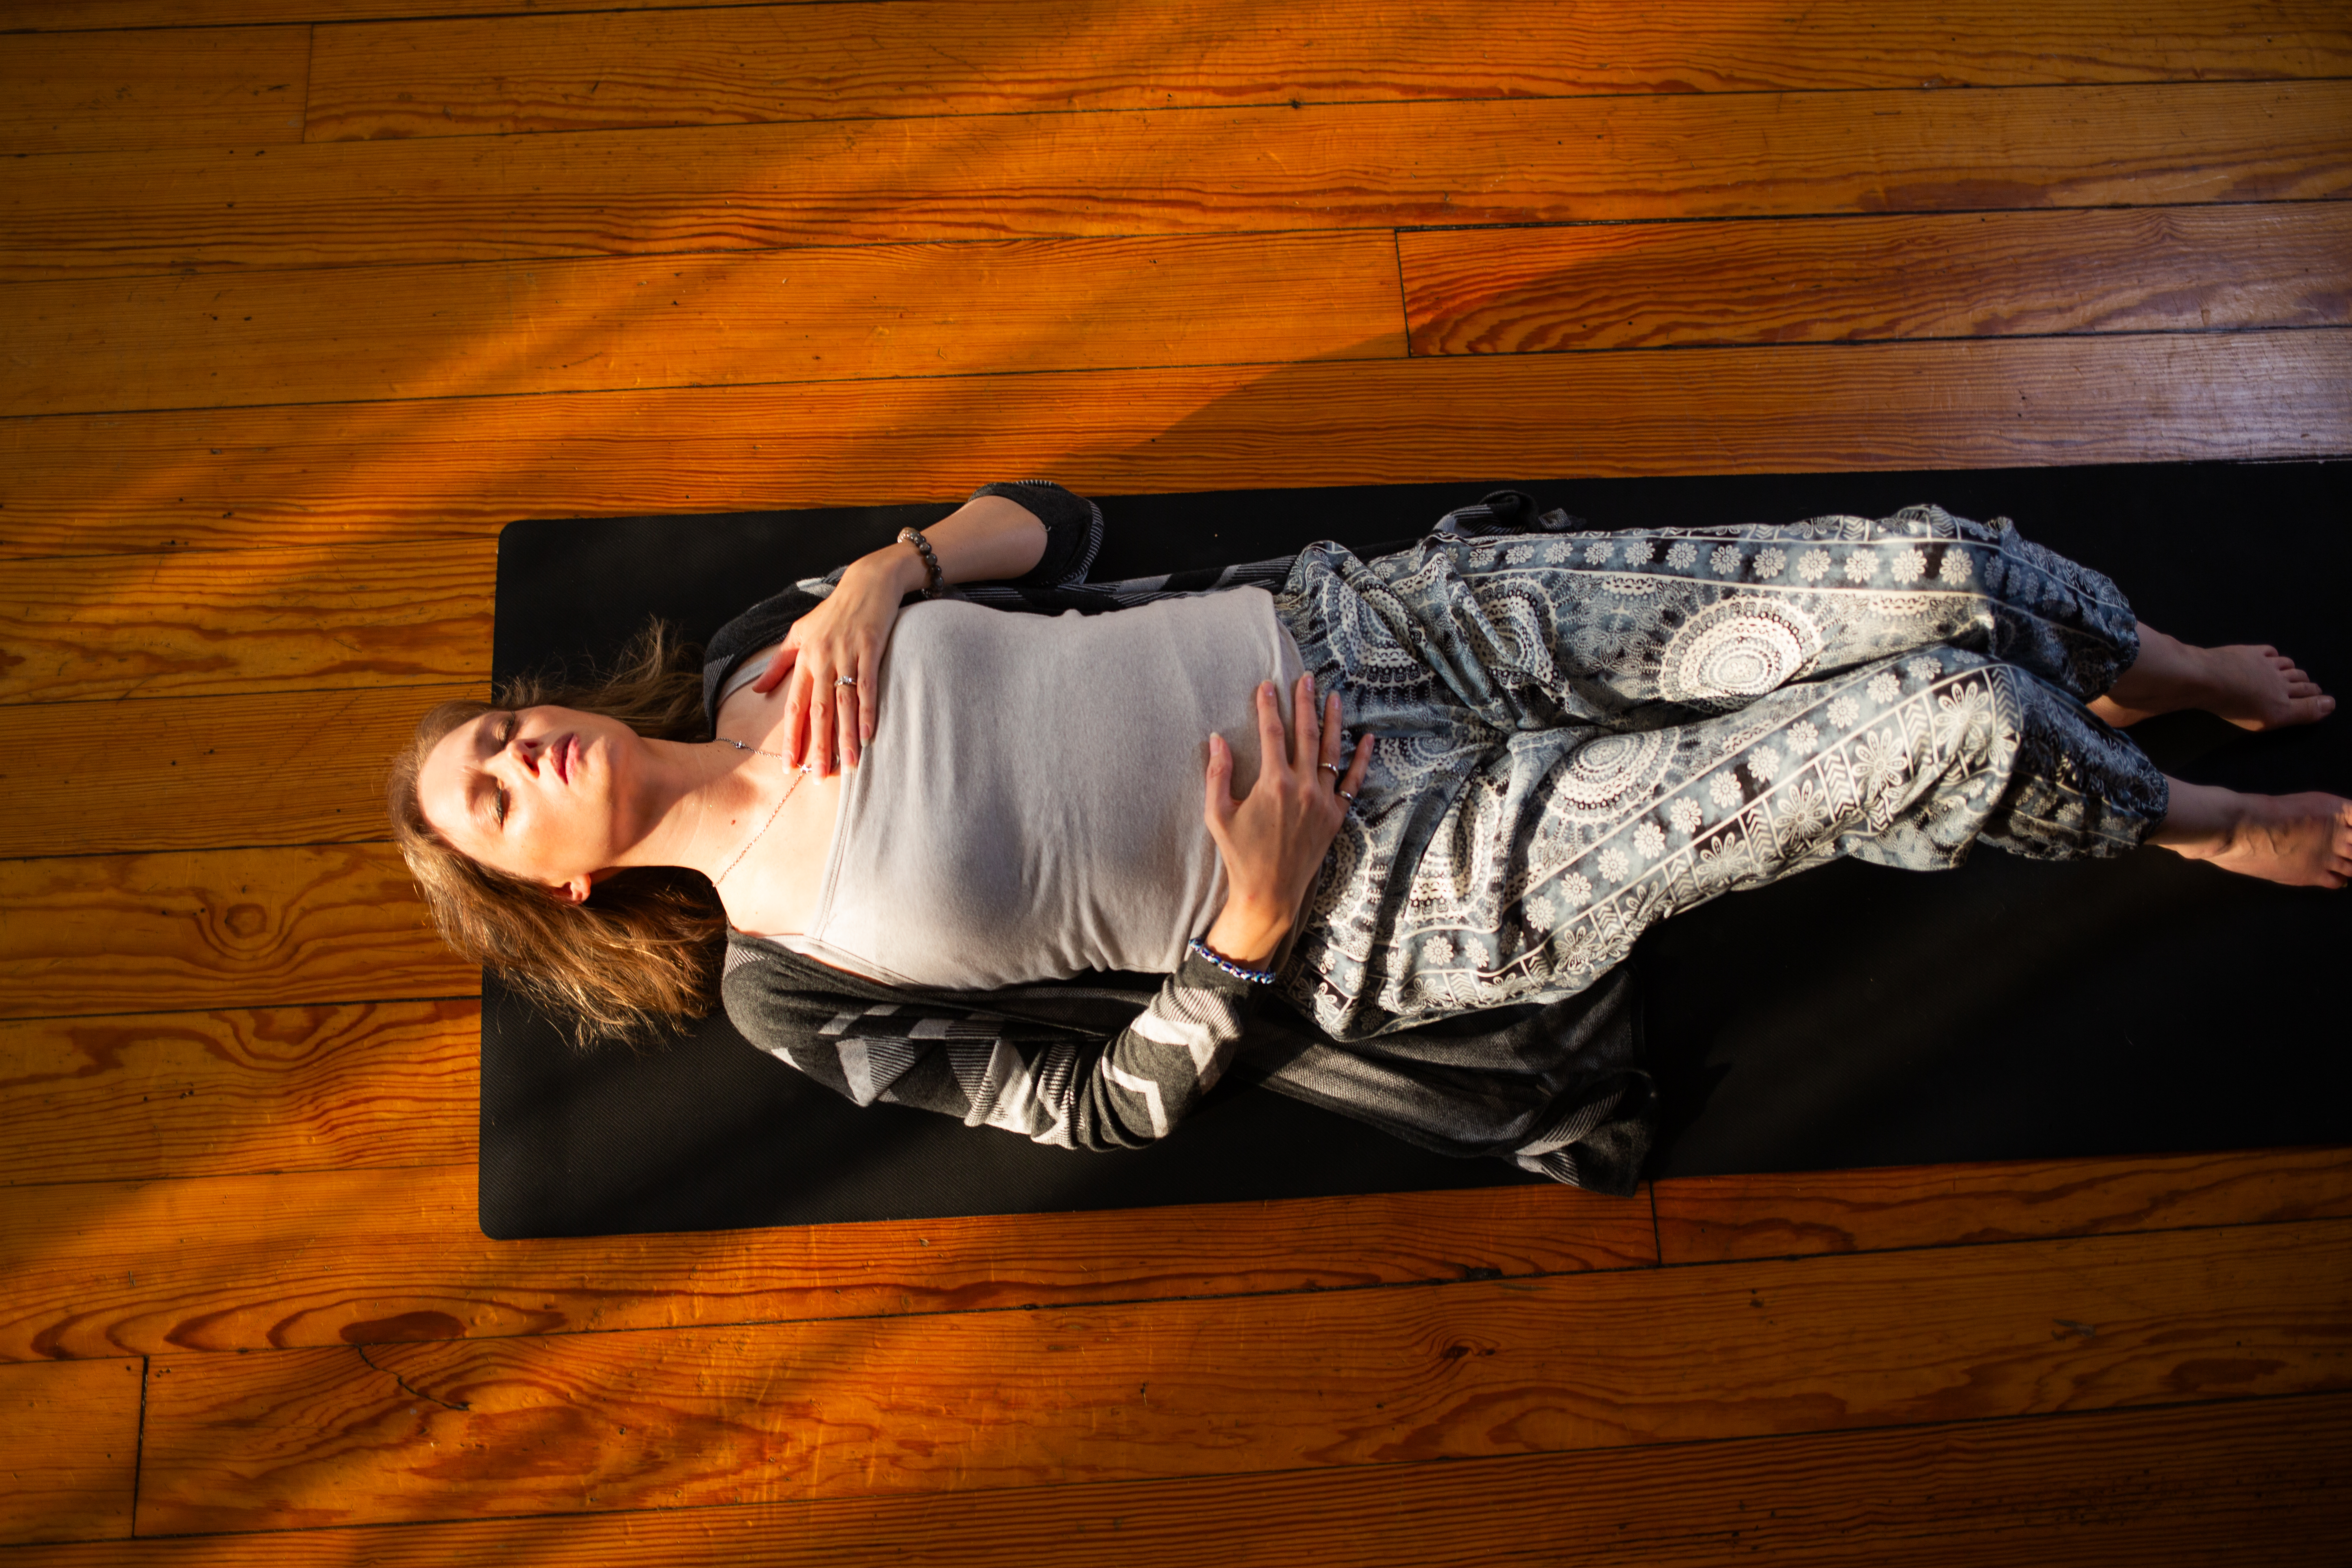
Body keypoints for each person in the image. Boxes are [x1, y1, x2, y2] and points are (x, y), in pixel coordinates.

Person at [390, 481, 2347, 1193]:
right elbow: (1096, 1113)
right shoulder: (789, 996)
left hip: (1368, 627)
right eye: (490, 795)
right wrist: (1245, 920)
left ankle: (2154, 664)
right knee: (1914, 719)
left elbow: (1053, 528)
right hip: (1391, 880)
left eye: (494, 727)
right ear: (558, 888)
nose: (516, 748)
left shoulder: (768, 649)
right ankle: (2180, 814)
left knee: (1920, 570)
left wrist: (892, 573)